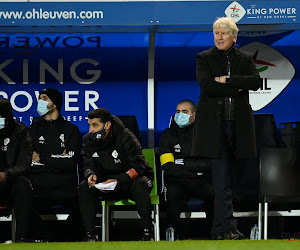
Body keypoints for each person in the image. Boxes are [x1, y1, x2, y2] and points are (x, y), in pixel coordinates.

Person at [191, 17, 261, 240]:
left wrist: (228, 80)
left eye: (223, 33)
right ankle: (225, 229)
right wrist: (237, 87)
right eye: (216, 33)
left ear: (234, 36)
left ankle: (223, 228)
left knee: (233, 181)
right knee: (221, 181)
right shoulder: (204, 58)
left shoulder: (246, 58)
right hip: (215, 128)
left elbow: (255, 83)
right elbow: (208, 86)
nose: (219, 37)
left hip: (239, 128)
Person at [79, 108, 154, 241]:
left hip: (128, 182)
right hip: (105, 185)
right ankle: (90, 236)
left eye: (95, 125)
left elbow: (138, 167)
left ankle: (148, 233)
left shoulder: (126, 137)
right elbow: (88, 163)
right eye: (89, 125)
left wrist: (118, 180)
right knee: (85, 186)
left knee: (140, 183)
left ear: (107, 125)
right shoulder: (88, 140)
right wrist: (91, 174)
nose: (91, 130)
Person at [28, 88, 82, 241]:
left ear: (55, 103)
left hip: (66, 187)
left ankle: (61, 238)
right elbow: (28, 162)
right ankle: (47, 237)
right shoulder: (31, 130)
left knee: (86, 203)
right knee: (23, 201)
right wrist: (58, 158)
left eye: (44, 98)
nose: (40, 101)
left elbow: (71, 162)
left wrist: (42, 158)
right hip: (39, 187)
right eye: (39, 98)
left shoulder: (71, 129)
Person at [159, 100, 214, 240]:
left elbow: (208, 164)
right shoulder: (167, 135)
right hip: (177, 181)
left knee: (213, 193)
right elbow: (167, 165)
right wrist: (193, 168)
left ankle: (212, 234)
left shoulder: (204, 134)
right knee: (171, 194)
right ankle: (179, 236)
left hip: (201, 180)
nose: (180, 115)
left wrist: (182, 163)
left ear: (194, 115)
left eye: (185, 112)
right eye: (177, 112)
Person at [0, 98, 33, 243]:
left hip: (11, 181)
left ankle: (21, 238)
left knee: (23, 184)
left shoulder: (20, 131)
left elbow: (25, 163)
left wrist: (6, 174)